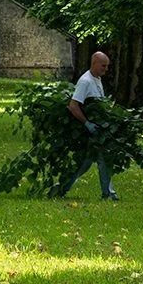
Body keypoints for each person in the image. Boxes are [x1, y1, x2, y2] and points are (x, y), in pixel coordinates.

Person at [58, 51, 119, 200]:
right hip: (89, 131)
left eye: (107, 66)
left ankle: (60, 189)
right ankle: (108, 194)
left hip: (98, 130)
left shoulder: (96, 78)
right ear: (94, 64)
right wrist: (87, 124)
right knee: (94, 161)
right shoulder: (85, 81)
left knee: (87, 163)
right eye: (103, 66)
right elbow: (73, 106)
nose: (106, 69)